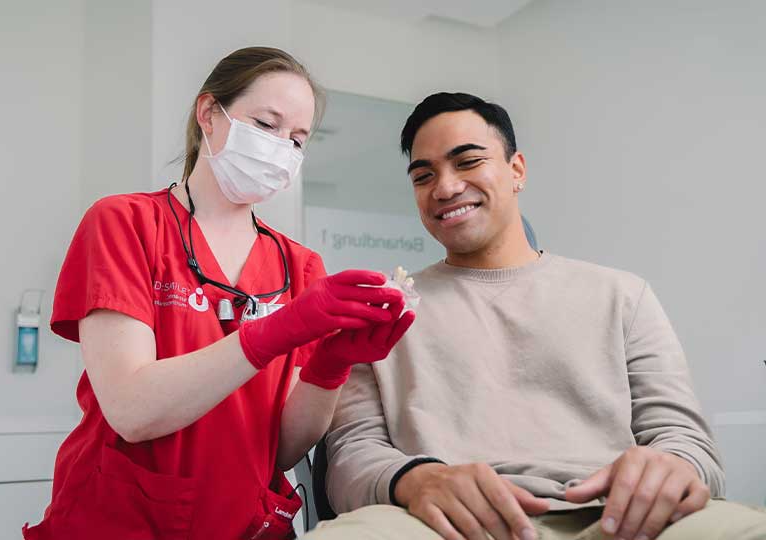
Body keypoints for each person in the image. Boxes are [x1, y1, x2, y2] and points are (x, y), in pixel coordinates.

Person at [306, 93, 766, 540]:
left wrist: (670, 465)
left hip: (620, 517)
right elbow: (351, 456)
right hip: (444, 523)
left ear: (516, 170)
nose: (445, 187)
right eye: (424, 176)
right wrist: (416, 479)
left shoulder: (622, 296)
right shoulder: (379, 314)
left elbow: (687, 443)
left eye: (467, 162)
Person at [22, 47, 415, 540]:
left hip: (242, 524)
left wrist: (330, 365)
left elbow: (280, 450)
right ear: (209, 114)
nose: (282, 149)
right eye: (267, 125)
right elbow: (133, 411)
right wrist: (277, 331)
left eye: (297, 139)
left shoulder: (299, 266)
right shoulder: (126, 224)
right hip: (120, 521)